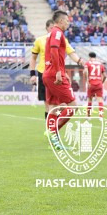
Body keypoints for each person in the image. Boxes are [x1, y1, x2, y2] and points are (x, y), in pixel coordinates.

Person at [43, 10, 85, 150]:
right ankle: (52, 133)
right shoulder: (57, 32)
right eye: (67, 21)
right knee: (73, 106)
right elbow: (54, 51)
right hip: (54, 74)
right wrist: (58, 72)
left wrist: (60, 70)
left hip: (48, 73)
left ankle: (54, 142)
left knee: (53, 107)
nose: (68, 23)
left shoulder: (53, 33)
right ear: (61, 21)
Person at [84, 51, 106, 117]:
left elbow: (85, 72)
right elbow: (105, 76)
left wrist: (87, 81)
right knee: (100, 100)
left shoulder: (88, 63)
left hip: (91, 83)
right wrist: (102, 82)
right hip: (99, 83)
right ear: (95, 57)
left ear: (89, 57)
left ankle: (88, 116)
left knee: (90, 100)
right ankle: (101, 116)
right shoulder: (100, 64)